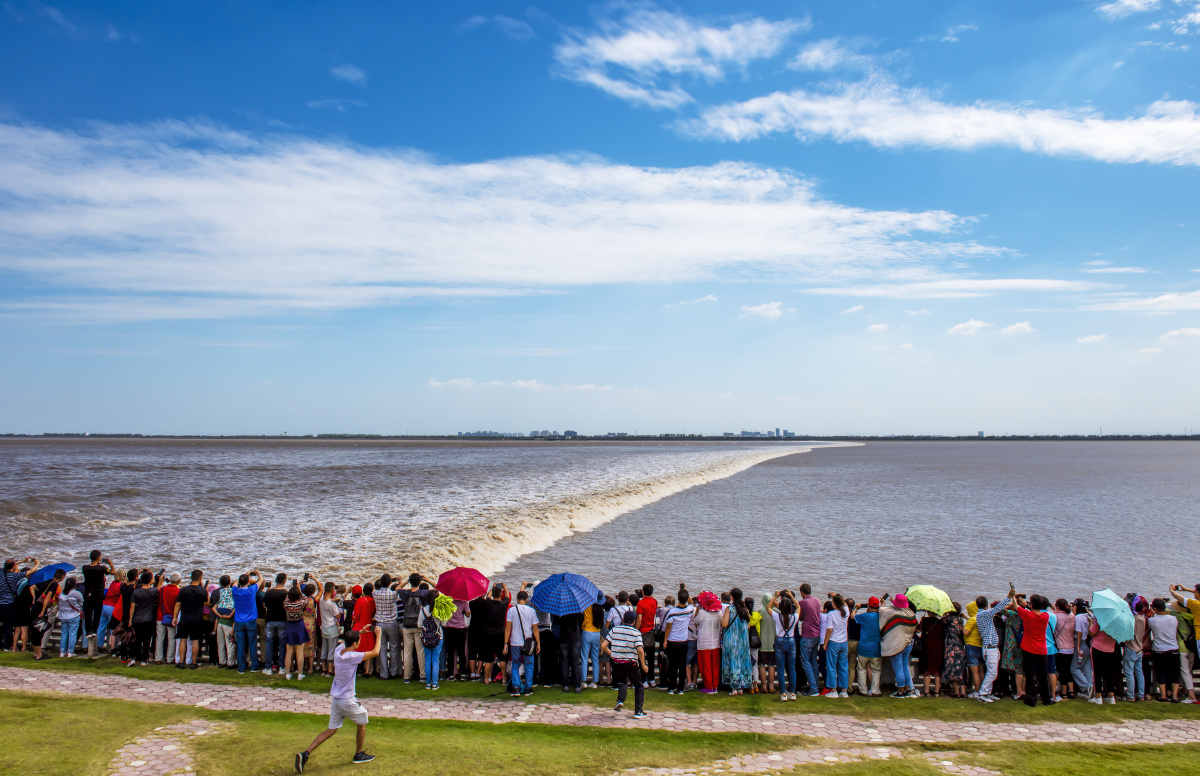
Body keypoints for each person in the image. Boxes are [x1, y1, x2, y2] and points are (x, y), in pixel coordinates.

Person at [295, 626, 381, 772]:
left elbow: (349, 641)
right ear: (354, 644)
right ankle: (358, 754)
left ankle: (305, 753)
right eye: (358, 641)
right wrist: (378, 635)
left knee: (331, 730)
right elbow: (375, 652)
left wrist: (360, 632)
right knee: (362, 722)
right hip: (347, 700)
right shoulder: (352, 657)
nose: (359, 642)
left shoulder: (338, 651)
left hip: (337, 700)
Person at [603, 610, 648, 718]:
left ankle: (620, 700)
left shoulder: (614, 630)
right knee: (639, 685)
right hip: (630, 663)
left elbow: (604, 645)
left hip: (617, 662)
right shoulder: (636, 632)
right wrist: (643, 665)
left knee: (622, 681)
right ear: (633, 622)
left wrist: (612, 654)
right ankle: (638, 711)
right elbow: (640, 650)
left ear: (623, 620)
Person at [973, 588, 1013, 702]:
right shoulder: (985, 614)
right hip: (990, 648)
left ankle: (987, 692)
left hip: (991, 648)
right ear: (986, 605)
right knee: (992, 673)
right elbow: (998, 608)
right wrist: (1009, 596)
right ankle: (983, 693)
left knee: (991, 672)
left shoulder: (981, 614)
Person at [1013, 594, 1053, 707]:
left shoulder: (1027, 615)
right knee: (1043, 675)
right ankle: (1046, 698)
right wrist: (1028, 606)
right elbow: (1035, 612)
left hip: (1028, 648)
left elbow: (1016, 607)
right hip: (1041, 649)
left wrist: (1013, 597)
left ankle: (1032, 698)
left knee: (1030, 674)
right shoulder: (1045, 616)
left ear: (1031, 604)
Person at [397, 574, 436, 683]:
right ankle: (422, 675)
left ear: (410, 582)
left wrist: (406, 581)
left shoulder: (405, 593)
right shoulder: (423, 593)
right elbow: (437, 589)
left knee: (407, 651)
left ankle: (406, 676)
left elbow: (397, 588)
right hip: (419, 625)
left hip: (407, 625)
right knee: (420, 651)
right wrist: (427, 579)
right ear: (420, 582)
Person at [879, 593, 918, 698]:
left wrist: (882, 604)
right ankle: (907, 690)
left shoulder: (892, 613)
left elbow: (882, 611)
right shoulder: (910, 614)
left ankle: (900, 692)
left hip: (897, 644)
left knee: (898, 669)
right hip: (908, 643)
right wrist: (893, 602)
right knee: (905, 667)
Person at [503, 589, 541, 697]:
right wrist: (538, 643)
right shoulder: (531, 611)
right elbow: (535, 629)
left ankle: (516, 688)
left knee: (515, 665)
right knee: (529, 665)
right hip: (528, 642)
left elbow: (508, 628)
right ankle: (528, 687)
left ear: (517, 599)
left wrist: (505, 643)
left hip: (515, 642)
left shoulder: (511, 610)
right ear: (526, 599)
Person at [470, 584, 509, 684]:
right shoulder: (504, 604)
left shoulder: (488, 602)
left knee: (488, 658)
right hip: (500, 633)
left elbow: (488, 596)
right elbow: (508, 595)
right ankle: (504, 678)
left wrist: (492, 588)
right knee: (502, 658)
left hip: (489, 633)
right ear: (501, 594)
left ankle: (486, 679)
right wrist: (504, 587)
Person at [1, 556, 39, 650]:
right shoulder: (15, 576)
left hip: (0, 602)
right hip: (9, 603)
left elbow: (6, 566)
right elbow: (30, 572)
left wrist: (22, 561)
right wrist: (37, 564)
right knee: (8, 626)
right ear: (14, 567)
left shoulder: (1, 573)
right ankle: (6, 647)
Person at [1148, 598, 1181, 702]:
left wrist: (1153, 614)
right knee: (1175, 672)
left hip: (1159, 650)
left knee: (1161, 671)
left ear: (1154, 609)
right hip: (1173, 648)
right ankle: (1174, 696)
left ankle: (1163, 696)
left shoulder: (1152, 620)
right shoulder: (1173, 619)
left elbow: (1151, 627)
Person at [720, 588, 753, 696]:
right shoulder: (745, 610)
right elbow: (748, 626)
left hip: (731, 640)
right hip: (742, 642)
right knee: (741, 663)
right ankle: (740, 687)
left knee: (732, 663)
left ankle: (733, 688)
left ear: (732, 597)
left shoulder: (729, 609)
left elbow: (724, 624)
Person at [173, 570, 208, 669]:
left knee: (183, 639)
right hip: (197, 618)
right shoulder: (202, 591)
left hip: (185, 617)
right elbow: (206, 603)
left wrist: (175, 617)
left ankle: (181, 661)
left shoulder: (183, 590)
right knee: (195, 641)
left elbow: (178, 604)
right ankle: (193, 662)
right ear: (200, 578)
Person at [81, 551, 115, 648]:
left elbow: (93, 569)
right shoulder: (102, 569)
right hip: (98, 593)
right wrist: (111, 564)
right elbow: (112, 572)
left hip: (88, 593)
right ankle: (94, 630)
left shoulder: (85, 568)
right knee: (97, 612)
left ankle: (88, 630)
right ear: (99, 558)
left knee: (88, 612)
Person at [232, 569, 264, 674]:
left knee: (240, 645)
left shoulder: (235, 591)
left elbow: (234, 583)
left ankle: (241, 667)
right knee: (252, 644)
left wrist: (245, 575)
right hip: (250, 620)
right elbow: (261, 580)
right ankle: (254, 665)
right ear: (248, 582)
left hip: (239, 621)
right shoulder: (250, 591)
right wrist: (258, 573)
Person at [662, 591, 694, 694]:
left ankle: (671, 688)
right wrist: (685, 590)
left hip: (672, 640)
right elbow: (691, 603)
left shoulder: (672, 611)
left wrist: (665, 640)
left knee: (673, 665)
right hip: (683, 641)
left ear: (678, 598)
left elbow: (668, 627)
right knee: (682, 664)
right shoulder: (689, 610)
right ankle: (680, 688)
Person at [770, 591, 800, 701]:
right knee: (792, 669)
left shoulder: (777, 616)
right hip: (791, 641)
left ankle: (783, 693)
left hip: (780, 641)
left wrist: (775, 597)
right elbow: (798, 606)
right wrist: (792, 596)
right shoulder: (794, 617)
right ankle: (792, 692)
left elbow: (769, 606)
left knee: (781, 669)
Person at [371, 574, 400, 680]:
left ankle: (384, 673)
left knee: (382, 649)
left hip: (379, 623)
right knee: (394, 647)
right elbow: (399, 595)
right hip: (391, 622)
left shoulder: (375, 593)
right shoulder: (393, 594)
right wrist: (400, 583)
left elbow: (373, 590)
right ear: (390, 583)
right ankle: (393, 671)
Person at [418, 594, 449, 690]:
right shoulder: (439, 610)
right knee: (435, 660)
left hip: (426, 637)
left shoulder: (423, 609)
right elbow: (444, 624)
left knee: (428, 660)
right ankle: (435, 683)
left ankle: (428, 683)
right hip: (438, 637)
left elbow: (419, 625)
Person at [853, 597, 883, 697]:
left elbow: (852, 617)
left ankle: (863, 690)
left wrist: (856, 608)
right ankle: (875, 690)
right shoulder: (881, 616)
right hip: (876, 649)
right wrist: (883, 604)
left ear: (868, 606)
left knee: (861, 669)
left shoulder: (865, 616)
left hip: (863, 648)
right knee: (876, 670)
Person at [261, 572, 290, 675]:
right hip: (282, 619)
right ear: (284, 581)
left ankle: (268, 667)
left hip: (270, 619)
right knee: (282, 644)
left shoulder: (269, 593)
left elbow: (265, 605)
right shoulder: (286, 593)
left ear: (276, 580)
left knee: (269, 644)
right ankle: (282, 667)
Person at [128, 571, 159, 666]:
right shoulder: (153, 591)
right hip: (148, 619)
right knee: (146, 640)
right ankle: (145, 659)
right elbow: (159, 587)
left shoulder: (136, 592)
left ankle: (137, 657)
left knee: (137, 639)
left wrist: (130, 619)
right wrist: (160, 580)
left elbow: (132, 606)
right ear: (150, 580)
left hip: (137, 618)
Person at [797, 584, 822, 696]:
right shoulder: (817, 601)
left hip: (807, 635)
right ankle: (815, 685)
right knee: (813, 662)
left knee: (805, 662)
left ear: (802, 592)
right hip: (817, 634)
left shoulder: (802, 603)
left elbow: (800, 617)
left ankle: (813, 688)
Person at [823, 594, 850, 698]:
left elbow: (829, 630)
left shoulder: (831, 614)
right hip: (844, 642)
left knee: (831, 666)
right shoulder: (846, 612)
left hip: (834, 642)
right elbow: (845, 604)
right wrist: (837, 595)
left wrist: (825, 642)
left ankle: (833, 690)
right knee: (843, 667)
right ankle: (844, 690)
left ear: (834, 603)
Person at [282, 583, 310, 679]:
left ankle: (287, 673)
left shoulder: (286, 603)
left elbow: (287, 596)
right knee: (299, 652)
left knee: (289, 652)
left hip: (289, 625)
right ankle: (300, 673)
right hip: (299, 625)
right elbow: (306, 598)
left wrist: (294, 588)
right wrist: (299, 590)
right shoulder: (300, 603)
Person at [1122, 601, 1148, 702]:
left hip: (1131, 647)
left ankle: (1131, 695)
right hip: (1139, 648)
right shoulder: (1143, 619)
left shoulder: (1133, 619)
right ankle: (1141, 694)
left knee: (1129, 672)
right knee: (1139, 672)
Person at [634, 584, 658, 687]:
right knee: (651, 657)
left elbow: (639, 619)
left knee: (641, 658)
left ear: (642, 591)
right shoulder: (654, 602)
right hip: (651, 632)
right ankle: (651, 679)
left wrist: (635, 630)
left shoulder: (640, 603)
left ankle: (643, 679)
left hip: (642, 632)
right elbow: (653, 598)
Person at [1052, 599, 1077, 698]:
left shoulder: (1055, 616)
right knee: (1068, 669)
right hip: (1070, 647)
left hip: (1060, 647)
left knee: (1061, 670)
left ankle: (1064, 692)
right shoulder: (1071, 616)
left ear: (1057, 606)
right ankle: (1071, 690)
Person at [942, 605, 968, 698]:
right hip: (960, 646)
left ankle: (956, 691)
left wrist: (944, 614)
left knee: (951, 668)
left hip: (950, 646)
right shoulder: (960, 620)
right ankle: (963, 691)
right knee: (960, 668)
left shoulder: (947, 619)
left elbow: (942, 623)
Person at [352, 583, 377, 677]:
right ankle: (367, 670)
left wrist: (353, 620)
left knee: (357, 648)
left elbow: (356, 615)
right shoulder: (373, 601)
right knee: (368, 647)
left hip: (360, 625)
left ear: (363, 591)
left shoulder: (360, 600)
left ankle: (356, 668)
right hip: (369, 625)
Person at [318, 582, 342, 677]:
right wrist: (336, 602)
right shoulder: (332, 604)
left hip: (324, 627)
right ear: (332, 590)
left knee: (324, 649)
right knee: (332, 650)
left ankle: (323, 668)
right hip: (332, 628)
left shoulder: (321, 601)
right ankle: (330, 670)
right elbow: (338, 615)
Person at [57, 577, 84, 657]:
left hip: (63, 616)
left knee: (64, 634)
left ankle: (62, 652)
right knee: (73, 634)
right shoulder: (76, 593)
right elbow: (81, 603)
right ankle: (70, 651)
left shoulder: (62, 594)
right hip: (73, 615)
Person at [581, 597, 604, 689]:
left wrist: (582, 626)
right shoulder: (600, 608)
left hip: (587, 631)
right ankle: (595, 682)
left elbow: (586, 620)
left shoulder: (587, 606)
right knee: (595, 659)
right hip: (597, 633)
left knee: (584, 658)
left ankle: (583, 681)